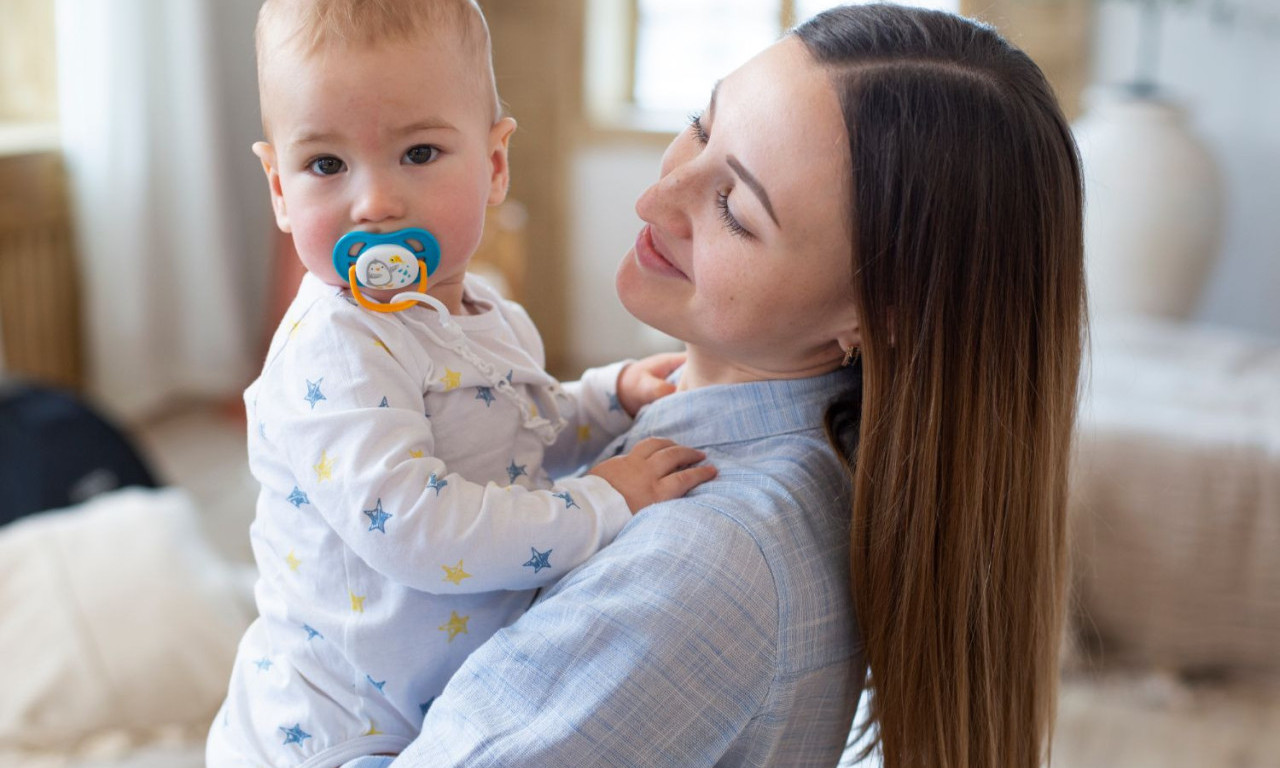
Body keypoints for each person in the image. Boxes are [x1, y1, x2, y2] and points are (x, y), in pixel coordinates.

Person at [370, 5, 1086, 768]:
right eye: (701, 127)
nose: (657, 198)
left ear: (876, 315)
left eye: (737, 211)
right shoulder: (775, 448)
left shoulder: (701, 565)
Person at [206, 2, 716, 767]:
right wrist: (604, 499)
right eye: (326, 165)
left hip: (437, 701)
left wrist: (606, 399)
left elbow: (520, 432)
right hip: (337, 731)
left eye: (418, 153)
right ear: (280, 187)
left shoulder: (489, 314)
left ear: (495, 164)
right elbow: (414, 527)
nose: (374, 202)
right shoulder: (339, 351)